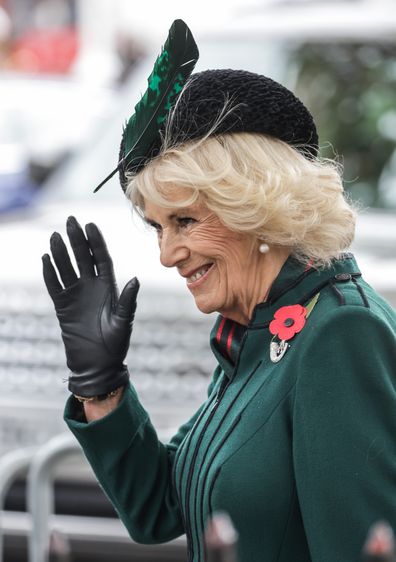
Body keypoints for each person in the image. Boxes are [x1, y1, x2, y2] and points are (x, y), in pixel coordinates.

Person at [42, 20, 396, 562]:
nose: (167, 254)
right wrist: (102, 385)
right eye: (159, 227)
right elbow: (161, 507)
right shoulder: (257, 329)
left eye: (185, 221)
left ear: (255, 209)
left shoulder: (337, 333)